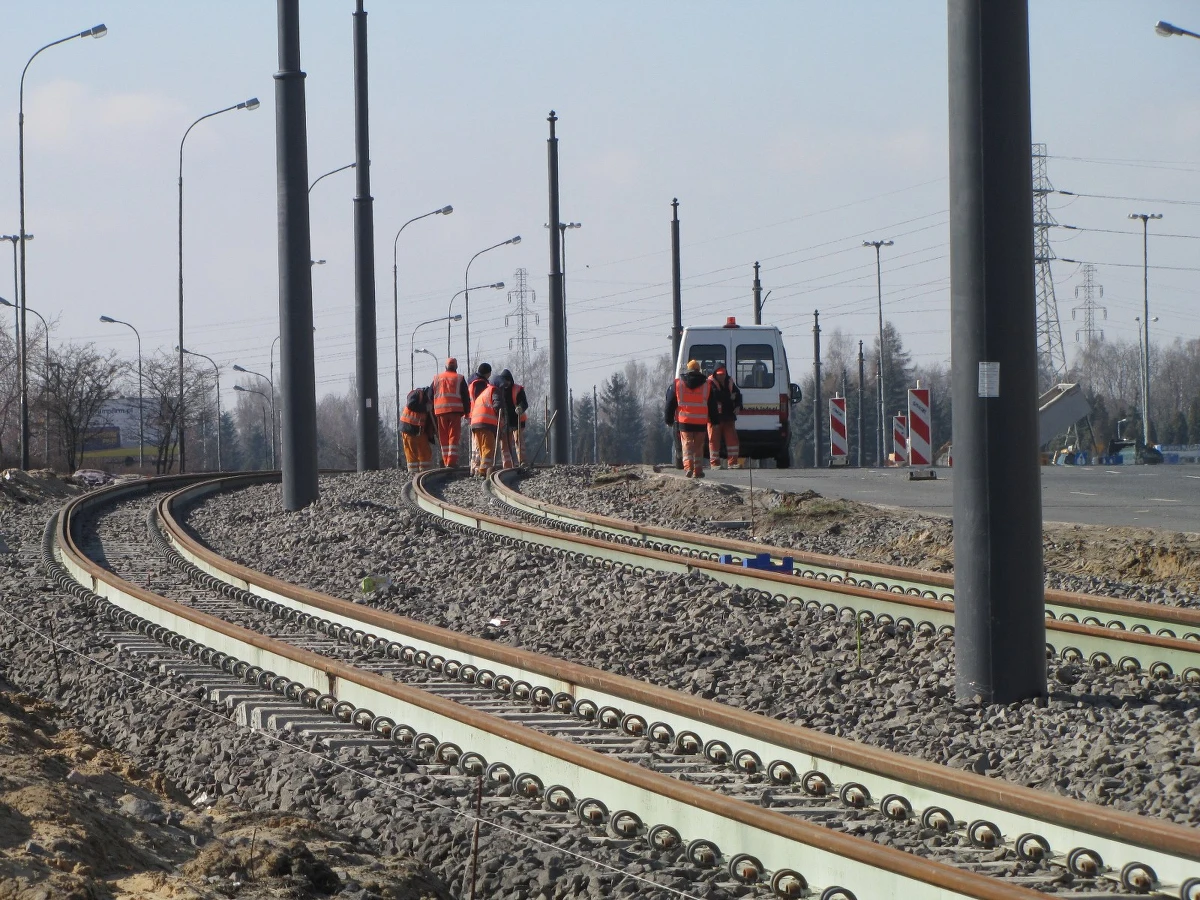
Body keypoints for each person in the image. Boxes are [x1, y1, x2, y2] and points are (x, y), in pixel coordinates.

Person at [665, 359, 719, 478]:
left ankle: (689, 467)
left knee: (687, 444)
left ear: (688, 370)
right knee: (698, 446)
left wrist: (668, 419)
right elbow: (712, 405)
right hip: (700, 422)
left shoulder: (678, 384)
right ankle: (698, 470)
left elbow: (670, 403)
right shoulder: (707, 385)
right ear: (699, 370)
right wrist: (715, 420)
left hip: (685, 421)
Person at [430, 358, 471, 467]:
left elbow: (430, 395)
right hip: (455, 411)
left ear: (446, 367)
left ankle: (445, 460)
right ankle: (451, 462)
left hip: (440, 411)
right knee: (454, 435)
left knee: (443, 436)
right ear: (456, 367)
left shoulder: (437, 378)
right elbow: (465, 396)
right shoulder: (459, 378)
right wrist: (467, 412)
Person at [706, 363, 743, 469]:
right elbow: (715, 395)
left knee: (733, 441)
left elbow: (738, 395)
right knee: (714, 441)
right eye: (719, 374)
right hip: (714, 418)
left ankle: (732, 462)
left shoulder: (730, 382)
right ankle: (714, 464)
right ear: (715, 374)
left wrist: (738, 406)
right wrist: (729, 397)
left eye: (723, 374)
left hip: (728, 417)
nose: (721, 376)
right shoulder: (710, 383)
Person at [489, 368, 526, 470]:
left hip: (517, 419)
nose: (506, 383)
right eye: (504, 381)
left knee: (518, 441)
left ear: (510, 380)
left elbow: (524, 402)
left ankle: (521, 461)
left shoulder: (518, 389)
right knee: (505, 443)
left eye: (507, 381)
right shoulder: (499, 390)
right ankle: (507, 465)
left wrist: (520, 408)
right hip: (505, 421)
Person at [399, 385, 437, 473]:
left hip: (420, 430)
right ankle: (413, 473)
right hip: (409, 428)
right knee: (412, 453)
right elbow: (411, 404)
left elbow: (431, 422)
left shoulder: (431, 403)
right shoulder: (417, 393)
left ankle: (425, 473)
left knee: (425, 452)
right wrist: (425, 408)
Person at [469, 376, 502, 476]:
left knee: (482, 449)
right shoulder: (494, 390)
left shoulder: (484, 392)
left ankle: (480, 470)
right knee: (487, 448)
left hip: (475, 424)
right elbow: (497, 404)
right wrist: (499, 412)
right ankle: (484, 471)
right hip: (486, 423)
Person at [466, 363, 492, 474]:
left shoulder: (472, 382)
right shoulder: (481, 384)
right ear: (488, 373)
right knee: (478, 444)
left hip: (472, 415)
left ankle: (474, 467)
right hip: (479, 416)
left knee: (475, 444)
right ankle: (478, 468)